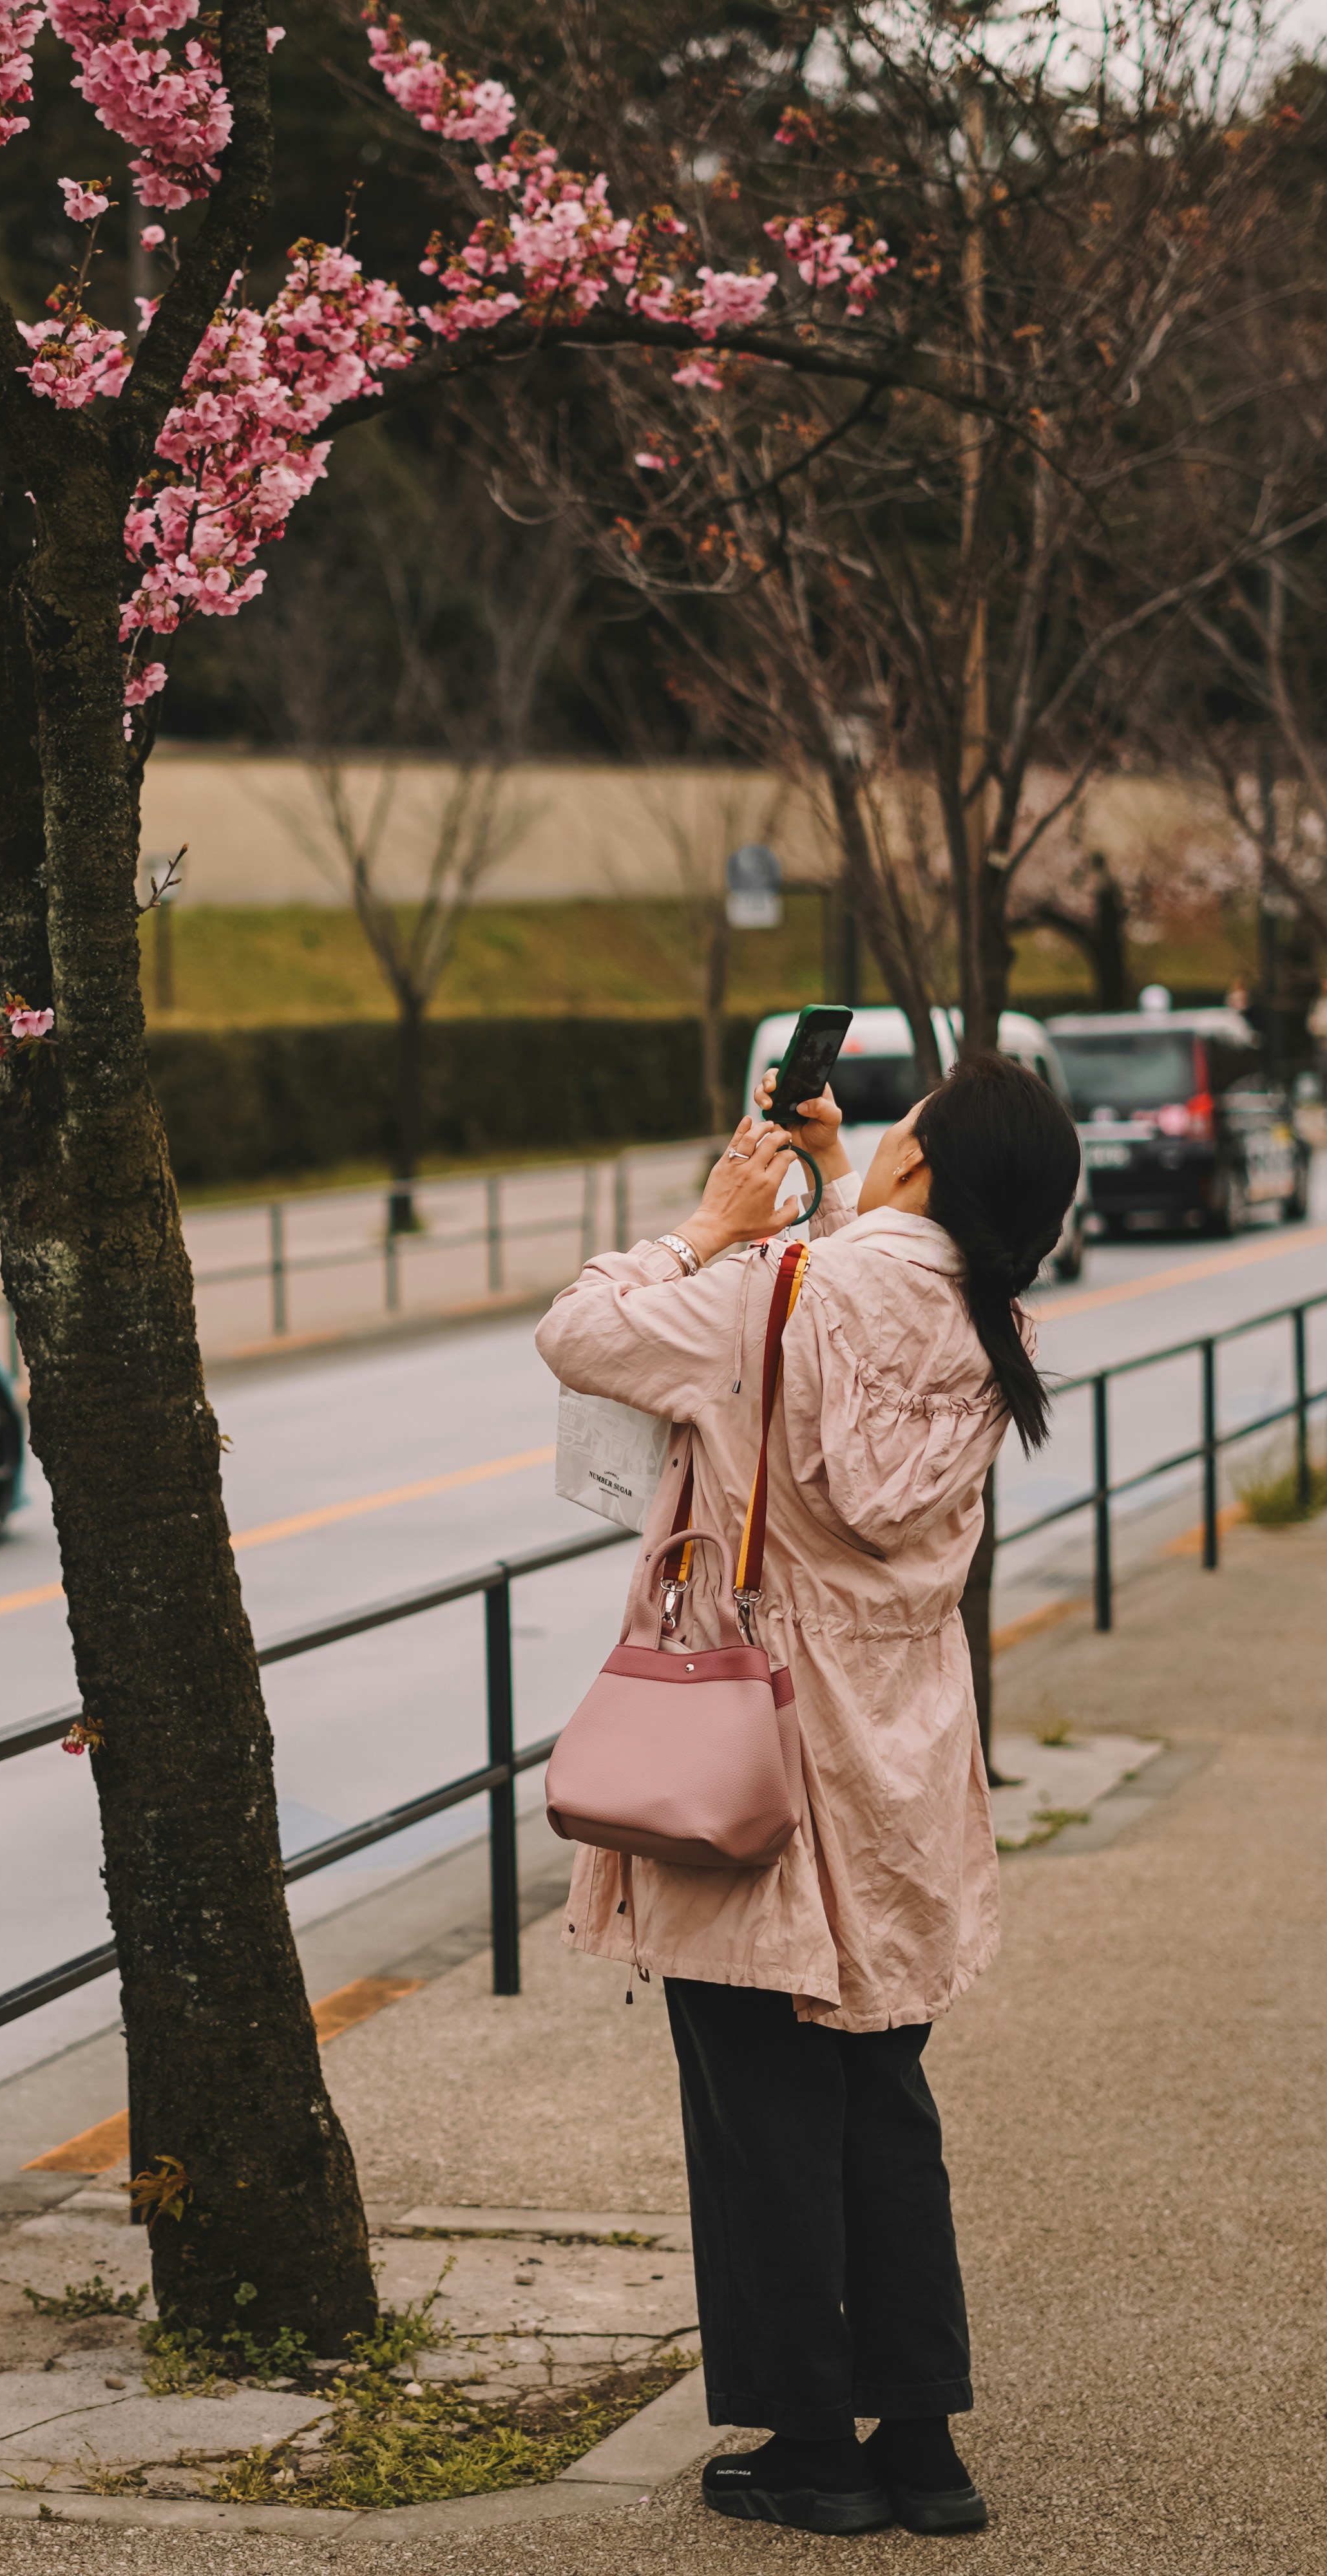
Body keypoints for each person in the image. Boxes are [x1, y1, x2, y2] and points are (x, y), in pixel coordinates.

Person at [535, 1056, 1082, 2539]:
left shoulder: (768, 1288)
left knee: (761, 2112)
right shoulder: (992, 1320)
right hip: (901, 1758)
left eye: (904, 1125)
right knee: (882, 2101)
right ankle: (922, 2443)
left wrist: (707, 1225)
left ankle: (814, 2450)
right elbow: (872, 1310)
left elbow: (579, 1333)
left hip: (755, 1756)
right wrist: (845, 1185)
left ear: (920, 1164)